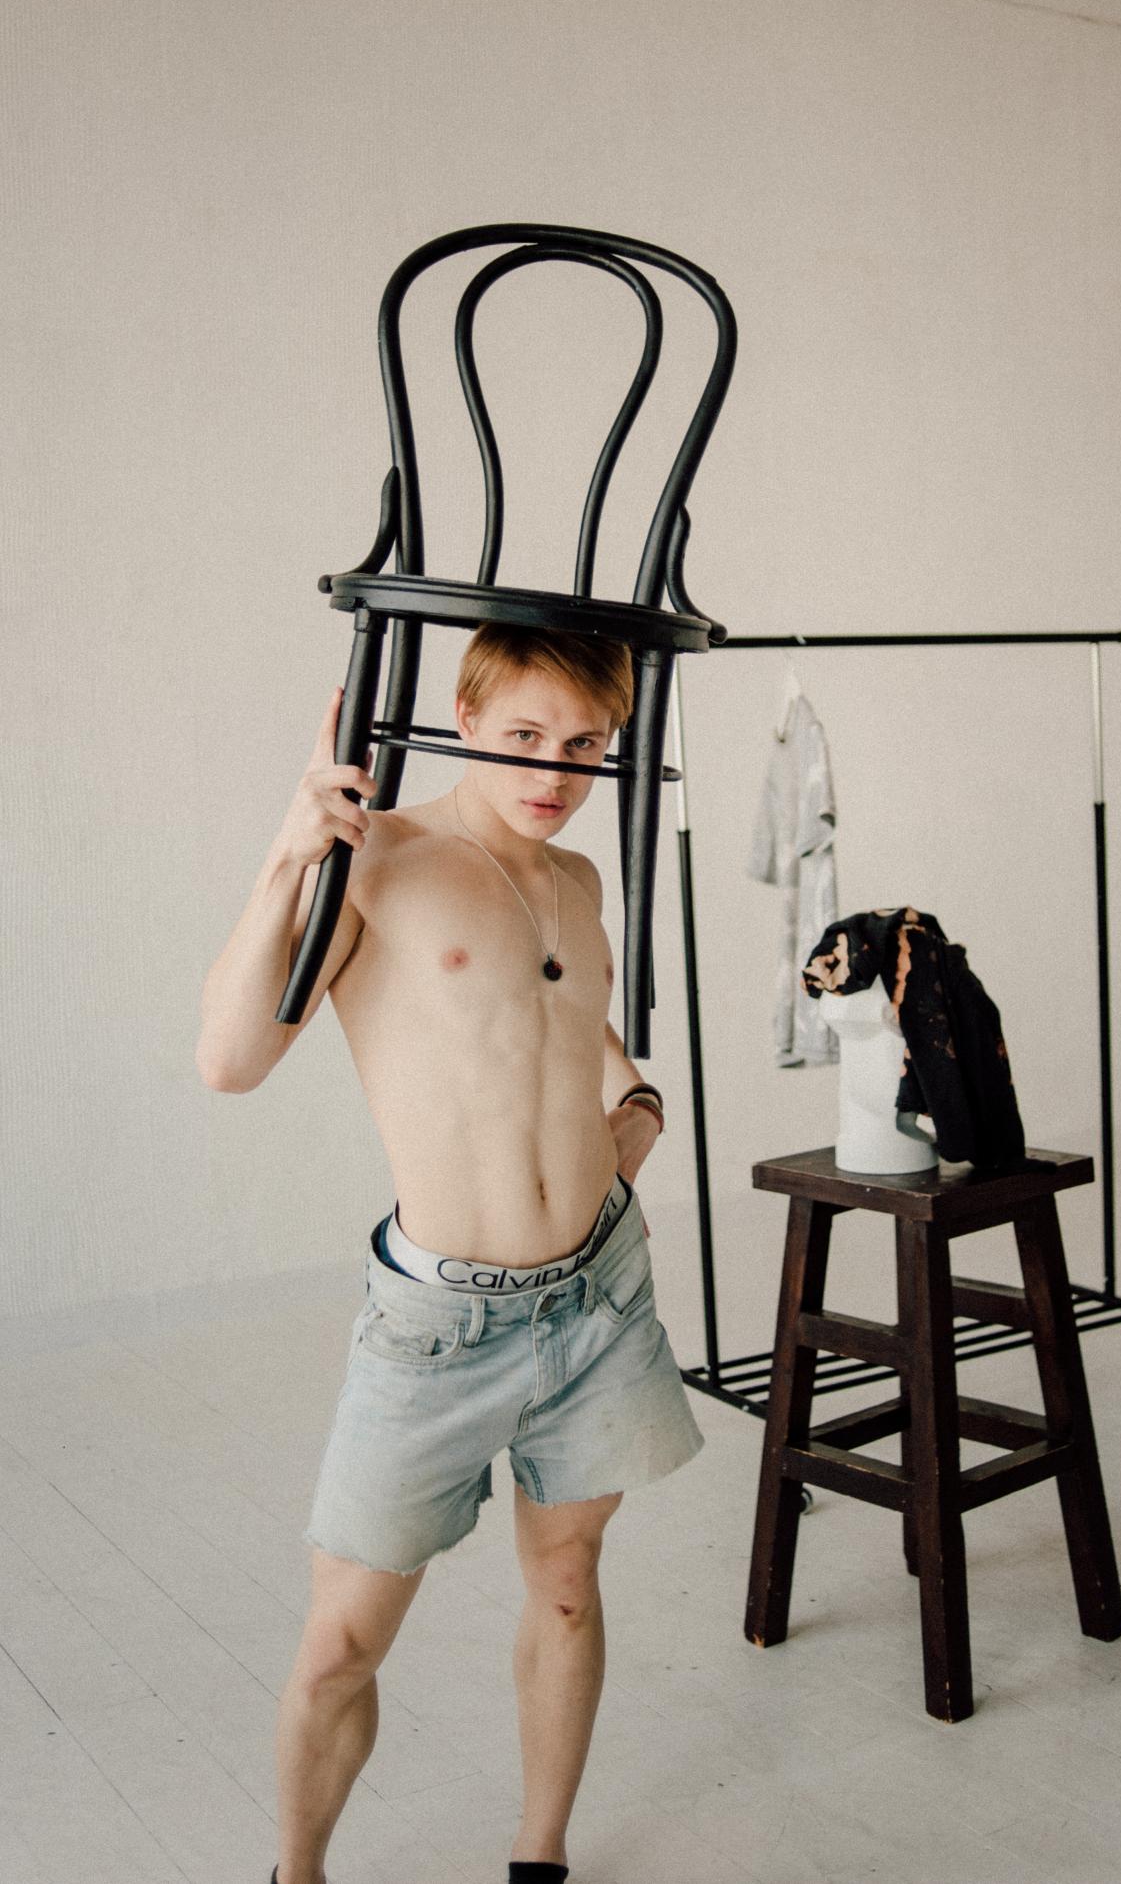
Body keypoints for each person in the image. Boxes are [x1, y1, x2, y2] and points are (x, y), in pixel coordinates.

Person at [196, 624, 705, 1884]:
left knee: (569, 1580)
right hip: (440, 1324)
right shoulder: (376, 861)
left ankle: (540, 1854)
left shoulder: (576, 878)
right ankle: (296, 1874)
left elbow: (573, 1030)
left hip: (596, 1299)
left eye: (584, 744)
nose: (555, 771)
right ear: (462, 716)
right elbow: (229, 1061)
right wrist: (286, 853)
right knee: (340, 1645)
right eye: (524, 736)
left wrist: (636, 1116)